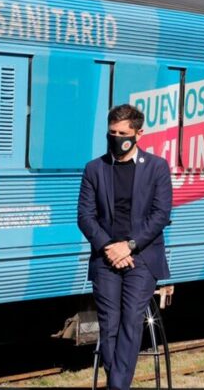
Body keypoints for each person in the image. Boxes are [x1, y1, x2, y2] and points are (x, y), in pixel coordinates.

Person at [77, 104, 173, 390]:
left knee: (131, 320)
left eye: (123, 133)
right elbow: (84, 216)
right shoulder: (95, 169)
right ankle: (119, 386)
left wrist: (129, 246)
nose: (116, 138)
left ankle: (116, 386)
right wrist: (109, 247)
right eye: (112, 132)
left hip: (142, 258)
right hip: (107, 258)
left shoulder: (157, 168)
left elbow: (160, 215)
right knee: (109, 325)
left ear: (139, 134)